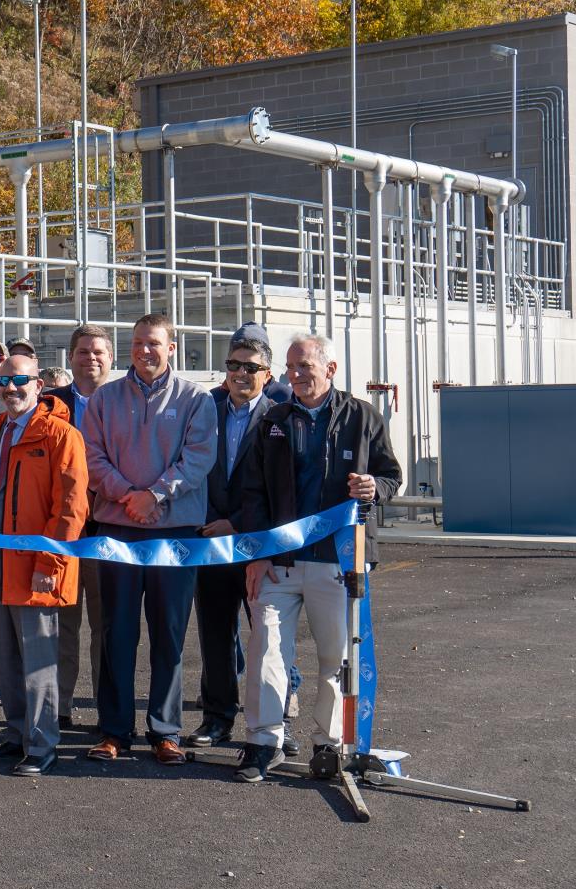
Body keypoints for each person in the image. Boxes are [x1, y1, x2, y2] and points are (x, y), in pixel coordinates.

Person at [232, 334, 400, 783]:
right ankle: (262, 743)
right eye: (291, 367)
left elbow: (391, 476)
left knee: (337, 657)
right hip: (279, 563)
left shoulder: (363, 416)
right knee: (266, 649)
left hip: (340, 561)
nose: (296, 375)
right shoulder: (275, 420)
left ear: (331, 368)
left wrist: (374, 489)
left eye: (304, 365)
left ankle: (329, 746)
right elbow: (254, 493)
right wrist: (256, 555)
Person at [83, 312, 217, 765]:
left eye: (154, 343)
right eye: (139, 342)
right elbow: (92, 457)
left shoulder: (196, 399)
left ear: (171, 348)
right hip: (118, 530)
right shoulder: (105, 399)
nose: (145, 350)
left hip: (175, 534)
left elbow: (198, 459)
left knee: (169, 634)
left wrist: (155, 495)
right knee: (116, 632)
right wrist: (128, 497)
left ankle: (165, 730)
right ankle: (113, 731)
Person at [0, 343, 89, 776]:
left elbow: (71, 508)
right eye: (4, 380)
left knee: (39, 660)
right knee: (8, 658)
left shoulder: (61, 435)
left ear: (39, 384)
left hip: (37, 565)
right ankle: (16, 734)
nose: (11, 387)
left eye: (20, 379)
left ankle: (42, 744)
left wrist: (49, 565)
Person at [188, 336, 276, 749]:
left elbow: (282, 489)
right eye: (234, 365)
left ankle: (274, 722)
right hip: (209, 542)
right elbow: (191, 467)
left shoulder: (281, 418)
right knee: (215, 635)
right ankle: (217, 717)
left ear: (267, 375)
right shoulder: (204, 409)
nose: (241, 373)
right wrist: (211, 522)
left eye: (251, 367)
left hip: (258, 545)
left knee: (269, 638)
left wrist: (236, 524)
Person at [45, 323, 113, 730]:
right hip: (63, 534)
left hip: (107, 531)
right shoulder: (50, 402)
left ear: (111, 358)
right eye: (83, 351)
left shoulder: (125, 402)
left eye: (98, 352)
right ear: (70, 358)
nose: (90, 358)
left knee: (107, 626)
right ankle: (60, 708)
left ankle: (109, 709)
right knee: (61, 626)